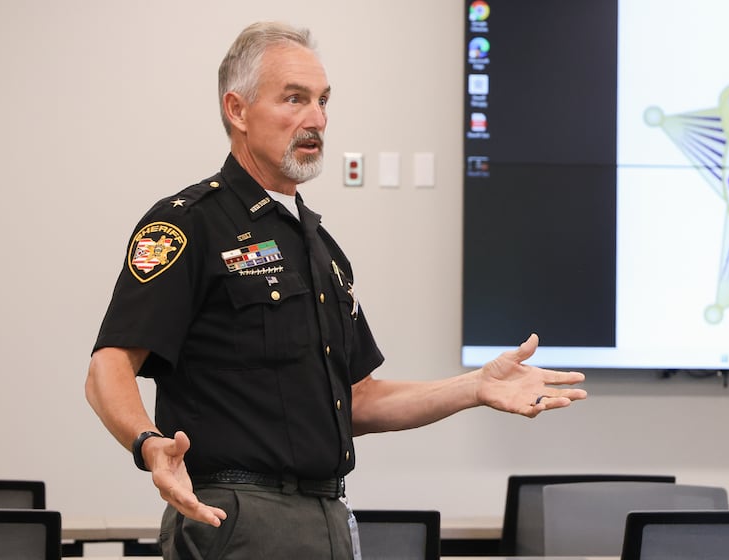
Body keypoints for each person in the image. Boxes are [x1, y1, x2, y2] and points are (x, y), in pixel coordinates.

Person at [84, 21, 587, 559]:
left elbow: (360, 400)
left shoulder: (320, 247)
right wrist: (149, 444)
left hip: (328, 515)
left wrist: (474, 388)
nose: (316, 119)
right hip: (235, 515)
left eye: (323, 101)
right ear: (237, 110)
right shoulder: (190, 224)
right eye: (294, 99)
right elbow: (107, 367)